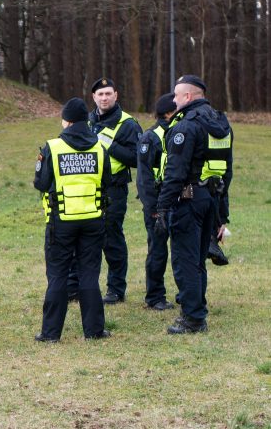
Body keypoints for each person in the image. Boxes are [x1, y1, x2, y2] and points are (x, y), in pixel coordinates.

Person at [156, 75, 233, 334]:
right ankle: (197, 307)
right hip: (210, 199)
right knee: (198, 259)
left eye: (177, 96)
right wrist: (222, 212)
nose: (174, 100)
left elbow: (175, 173)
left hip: (188, 200)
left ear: (188, 97)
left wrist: (163, 208)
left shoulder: (186, 127)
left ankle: (193, 318)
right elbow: (227, 172)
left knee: (185, 261)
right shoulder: (221, 124)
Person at [34, 98, 112, 342]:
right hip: (93, 219)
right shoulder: (99, 147)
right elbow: (107, 182)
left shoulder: (52, 147)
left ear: (65, 121)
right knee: (89, 274)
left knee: (57, 274)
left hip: (62, 220)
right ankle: (94, 330)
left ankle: (50, 333)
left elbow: (41, 183)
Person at [71, 77, 141, 304]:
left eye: (108, 94)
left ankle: (116, 289)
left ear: (116, 95)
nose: (104, 98)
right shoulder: (88, 121)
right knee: (84, 239)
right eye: (100, 95)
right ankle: (78, 287)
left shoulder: (128, 124)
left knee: (111, 239)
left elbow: (138, 159)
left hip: (114, 190)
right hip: (87, 189)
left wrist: (110, 145)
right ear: (93, 97)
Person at [136, 94, 177, 311]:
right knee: (158, 250)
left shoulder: (179, 132)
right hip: (158, 205)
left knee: (178, 251)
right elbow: (143, 178)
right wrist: (153, 209)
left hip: (177, 201)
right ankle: (155, 296)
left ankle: (183, 293)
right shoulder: (150, 138)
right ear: (168, 113)